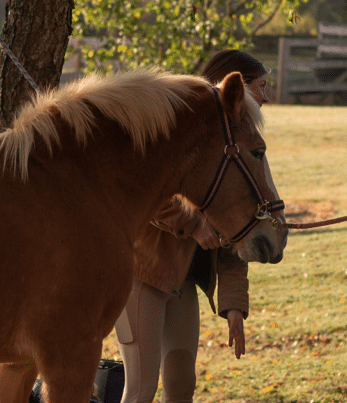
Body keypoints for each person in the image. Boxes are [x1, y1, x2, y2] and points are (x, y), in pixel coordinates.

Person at [114, 49, 270, 403]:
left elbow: (240, 221)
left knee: (182, 387)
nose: (266, 97)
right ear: (236, 89)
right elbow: (147, 190)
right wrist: (195, 225)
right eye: (261, 86)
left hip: (180, 280)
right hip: (143, 272)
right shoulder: (178, 128)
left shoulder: (238, 145)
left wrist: (233, 304)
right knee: (140, 389)